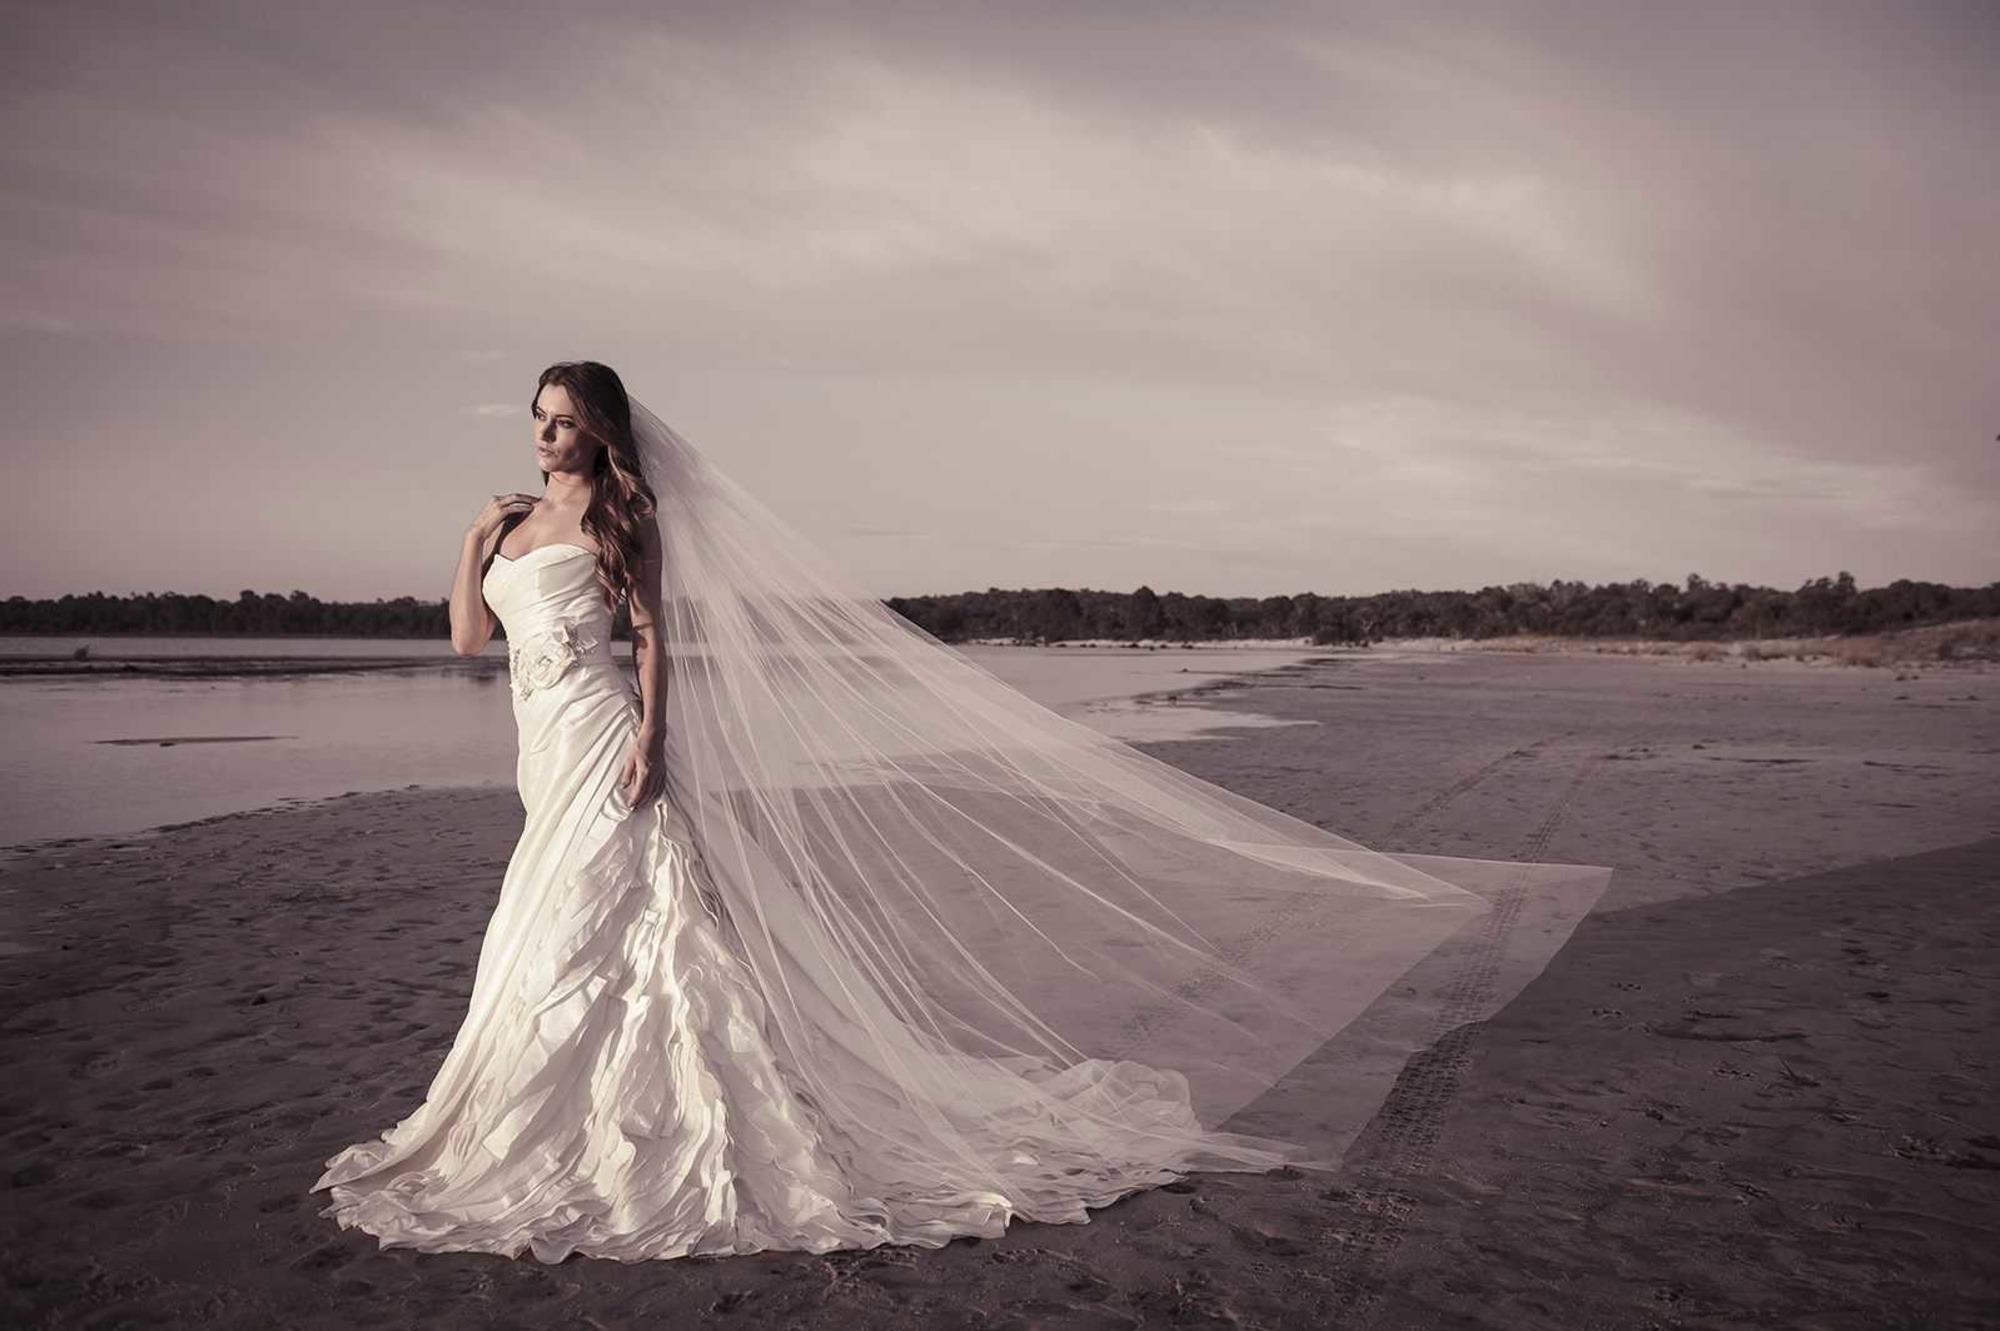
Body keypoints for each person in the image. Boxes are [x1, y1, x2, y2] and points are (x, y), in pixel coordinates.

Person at [310, 361, 1610, 1262]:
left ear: (598, 431)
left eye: (560, 421)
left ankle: (649, 1105)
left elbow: (653, 645)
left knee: (615, 915)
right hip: (538, 741)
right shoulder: (510, 523)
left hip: (603, 733)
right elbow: (472, 646)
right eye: (533, 420)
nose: (542, 436)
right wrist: (468, 537)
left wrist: (656, 737)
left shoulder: (621, 522)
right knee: (550, 915)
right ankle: (546, 1096)